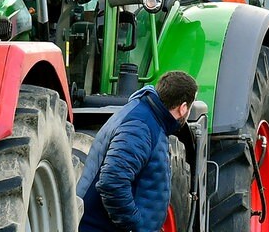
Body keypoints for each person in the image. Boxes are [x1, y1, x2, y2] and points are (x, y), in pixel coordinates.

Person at [77, 71, 198, 232]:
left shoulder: (147, 117)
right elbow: (112, 181)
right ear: (183, 108)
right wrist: (134, 225)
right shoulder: (141, 126)